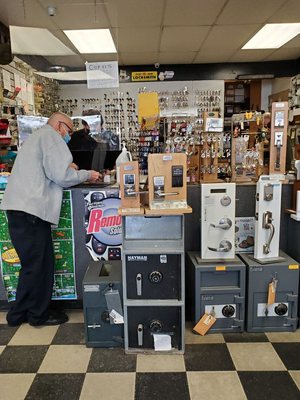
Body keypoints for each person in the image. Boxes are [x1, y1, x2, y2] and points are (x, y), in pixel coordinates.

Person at [0, 112, 101, 327]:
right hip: (31, 212)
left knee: (31, 265)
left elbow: (51, 169)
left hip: (21, 210)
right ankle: (38, 315)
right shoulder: (51, 136)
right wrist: (87, 174)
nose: (69, 135)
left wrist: (70, 168)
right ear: (59, 125)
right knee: (40, 265)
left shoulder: (38, 137)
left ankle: (18, 314)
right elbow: (61, 177)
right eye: (69, 130)